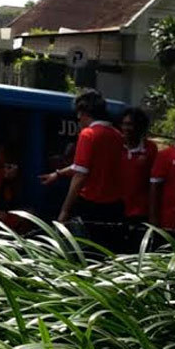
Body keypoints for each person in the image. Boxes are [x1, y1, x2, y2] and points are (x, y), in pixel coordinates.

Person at [39, 89, 125, 244]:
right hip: (114, 205)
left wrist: (64, 211)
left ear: (83, 113)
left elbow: (80, 175)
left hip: (91, 205)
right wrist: (57, 174)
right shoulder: (117, 135)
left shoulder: (88, 134)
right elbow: (81, 166)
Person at [119, 107, 158, 252]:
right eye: (124, 124)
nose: (126, 128)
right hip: (117, 209)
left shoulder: (150, 149)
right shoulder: (115, 145)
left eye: (130, 124)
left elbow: (154, 182)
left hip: (140, 211)